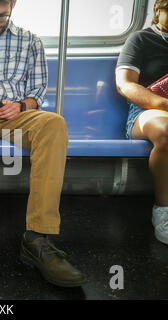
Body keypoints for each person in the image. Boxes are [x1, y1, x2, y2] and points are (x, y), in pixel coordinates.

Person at [0, 0, 86, 287]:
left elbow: (37, 94)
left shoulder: (31, 42)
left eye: (2, 16)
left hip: (16, 115)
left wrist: (20, 106)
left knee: (54, 124)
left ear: (13, 6)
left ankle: (37, 236)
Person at [116, 0, 168, 245]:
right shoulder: (141, 40)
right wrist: (164, 104)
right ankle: (164, 210)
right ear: (158, 11)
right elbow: (125, 84)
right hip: (147, 111)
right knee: (167, 132)